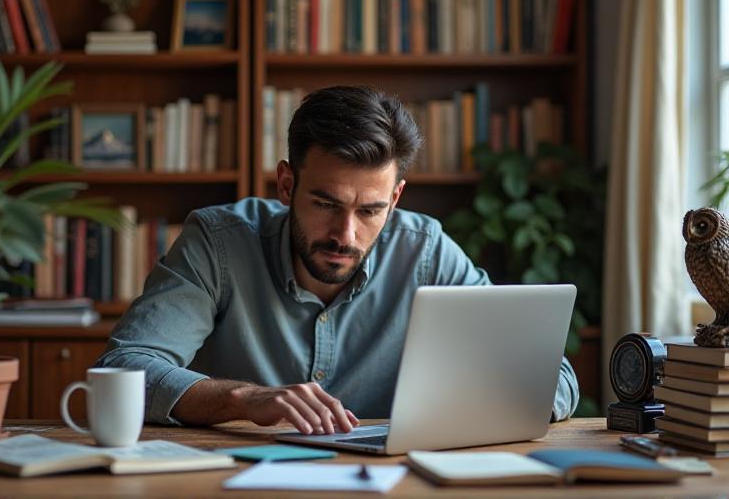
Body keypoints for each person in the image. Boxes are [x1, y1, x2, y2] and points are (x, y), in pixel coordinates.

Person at [95, 85, 579, 435]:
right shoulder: (219, 243)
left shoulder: (426, 251)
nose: (346, 235)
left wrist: (470, 403)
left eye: (370, 210)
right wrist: (246, 398)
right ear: (286, 184)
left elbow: (553, 375)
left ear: (395, 199)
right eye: (326, 204)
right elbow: (125, 369)